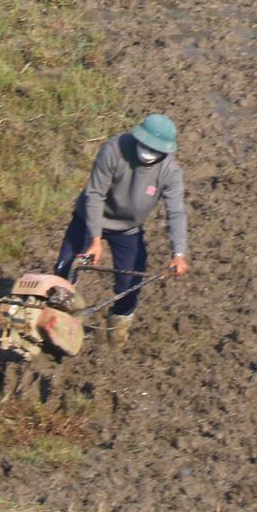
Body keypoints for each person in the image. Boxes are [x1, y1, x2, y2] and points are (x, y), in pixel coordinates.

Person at [53, 112, 189, 346]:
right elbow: (95, 194)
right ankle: (54, 321)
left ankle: (116, 333)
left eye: (155, 150)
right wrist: (95, 240)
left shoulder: (170, 171)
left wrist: (179, 253)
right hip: (89, 218)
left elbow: (176, 212)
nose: (148, 153)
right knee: (65, 268)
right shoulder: (114, 150)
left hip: (128, 228)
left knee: (130, 283)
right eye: (146, 146)